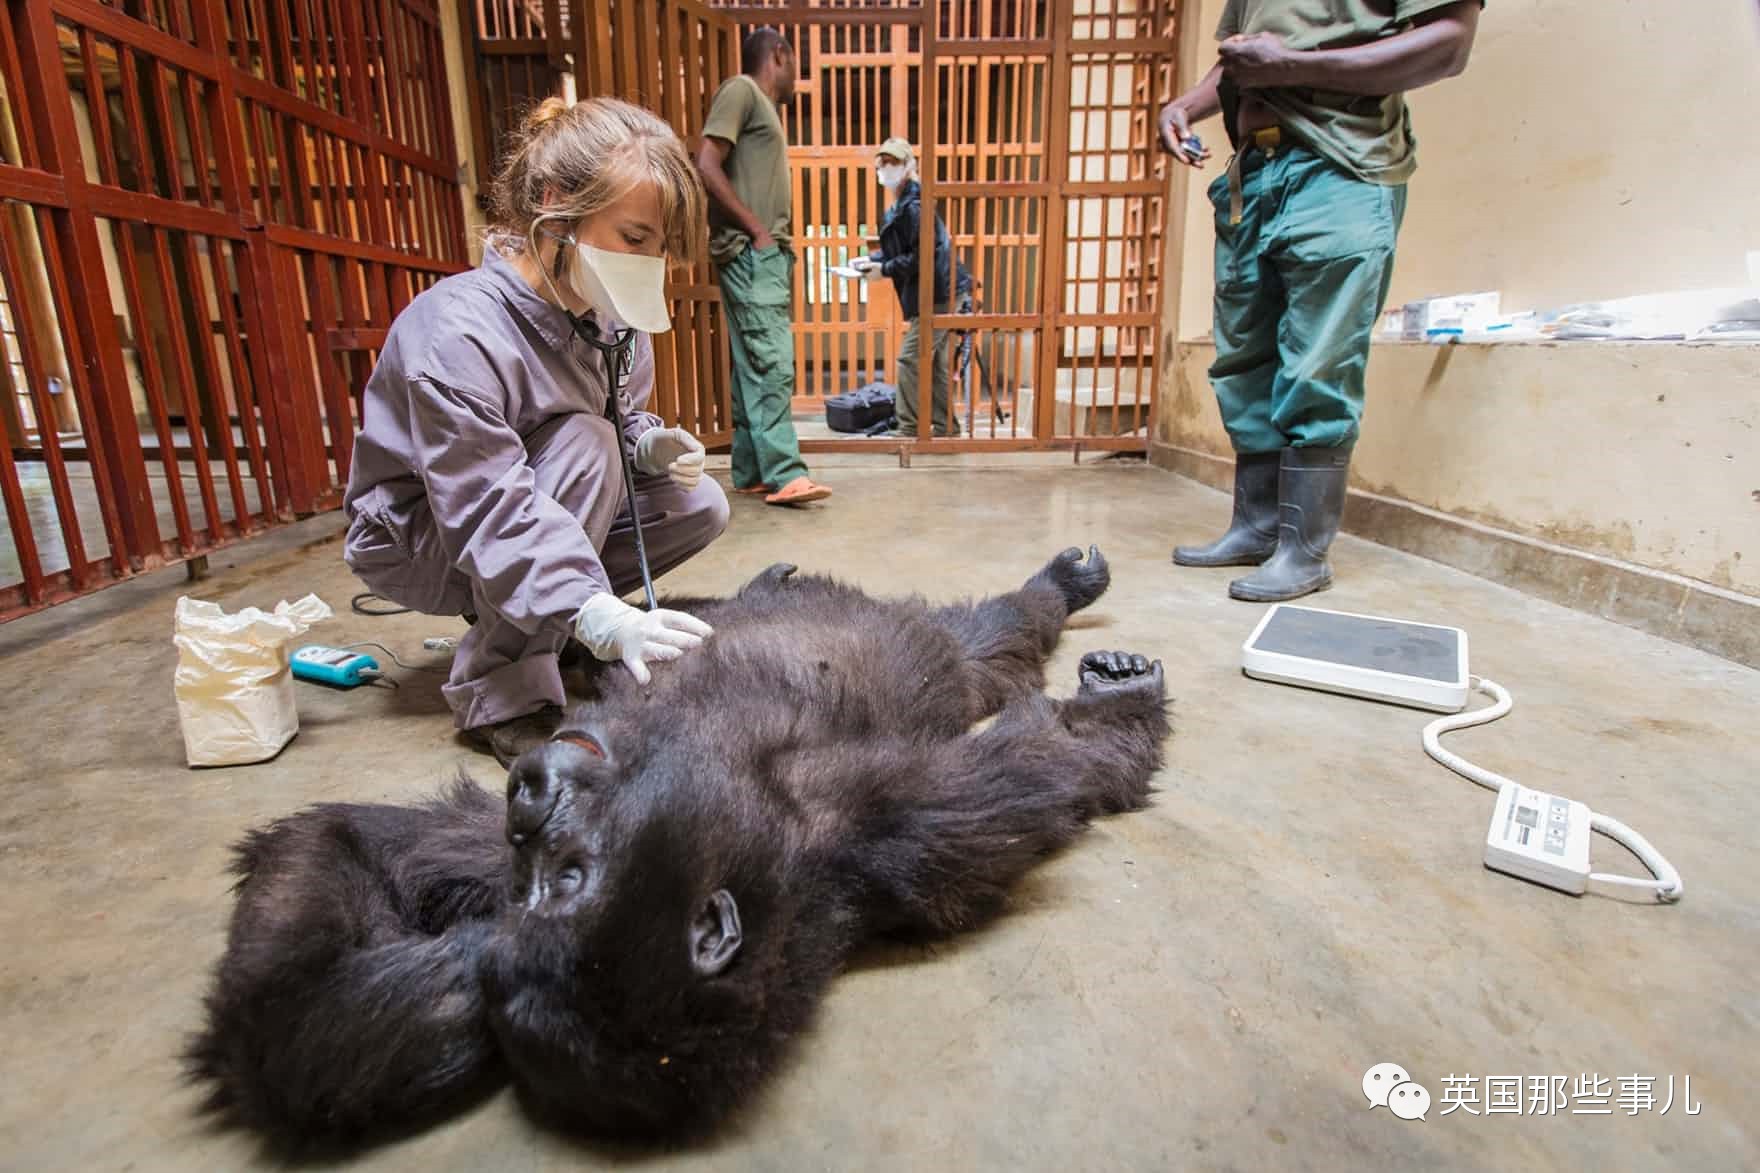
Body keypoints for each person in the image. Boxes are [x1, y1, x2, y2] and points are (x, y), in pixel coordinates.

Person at [342, 97, 730, 764]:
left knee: (695, 502)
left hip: (534, 505)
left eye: (660, 247)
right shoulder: (458, 334)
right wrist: (596, 608)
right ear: (557, 203)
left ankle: (552, 612)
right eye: (634, 239)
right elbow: (489, 505)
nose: (648, 263)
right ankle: (505, 689)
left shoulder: (613, 321)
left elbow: (617, 417)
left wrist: (648, 442)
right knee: (587, 444)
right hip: (428, 535)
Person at [1160, 0, 1480, 601]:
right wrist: (1183, 106)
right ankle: (1256, 526)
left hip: (1338, 165)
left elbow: (1448, 44)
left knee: (1318, 361)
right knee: (1243, 360)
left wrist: (1293, 66)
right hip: (1254, 169)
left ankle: (1304, 550)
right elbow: (1236, 63)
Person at [694, 28, 832, 507]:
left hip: (756, 253)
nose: (797, 78)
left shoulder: (760, 106)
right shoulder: (742, 91)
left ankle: (752, 469)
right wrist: (757, 229)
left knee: (751, 362)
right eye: (796, 65)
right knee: (771, 359)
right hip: (753, 252)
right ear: (780, 55)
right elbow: (706, 162)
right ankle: (785, 472)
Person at [852, 138, 959, 437]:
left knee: (910, 358)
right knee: (935, 365)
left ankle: (910, 426)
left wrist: (883, 268)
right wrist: (869, 261)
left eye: (894, 162)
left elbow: (922, 256)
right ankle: (947, 427)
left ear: (910, 165)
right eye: (882, 163)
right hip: (933, 291)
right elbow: (901, 251)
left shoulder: (915, 204)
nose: (886, 168)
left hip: (938, 293)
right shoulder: (900, 205)